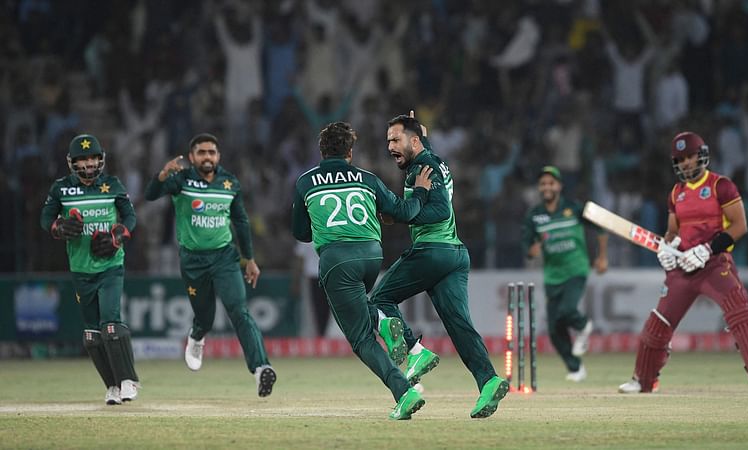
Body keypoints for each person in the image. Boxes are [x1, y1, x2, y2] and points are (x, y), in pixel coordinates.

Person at [370, 113, 509, 419]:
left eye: (396, 139)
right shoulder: (433, 160)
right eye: (388, 141)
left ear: (414, 141)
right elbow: (429, 198)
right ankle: (489, 381)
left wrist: (403, 212)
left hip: (432, 250)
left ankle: (414, 352)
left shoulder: (422, 167)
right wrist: (417, 128)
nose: (390, 146)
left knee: (379, 300)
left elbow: (438, 210)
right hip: (455, 254)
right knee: (459, 325)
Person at [618, 131, 748, 394]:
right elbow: (672, 231)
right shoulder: (676, 193)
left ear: (701, 155)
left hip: (715, 263)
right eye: (680, 160)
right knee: (659, 321)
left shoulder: (721, 185)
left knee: (741, 313)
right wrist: (668, 248)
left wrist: (707, 249)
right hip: (684, 268)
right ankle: (643, 380)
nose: (686, 164)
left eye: (690, 157)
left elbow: (740, 226)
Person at [291, 121, 433, 420]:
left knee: (361, 339)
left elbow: (300, 233)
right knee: (361, 310)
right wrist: (420, 192)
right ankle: (384, 322)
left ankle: (403, 392)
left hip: (337, 260)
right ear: (350, 153)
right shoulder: (367, 179)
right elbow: (406, 213)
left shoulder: (305, 181)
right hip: (371, 255)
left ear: (321, 151)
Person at [144, 133, 276, 397]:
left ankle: (261, 368)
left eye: (211, 152)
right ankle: (197, 334)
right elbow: (151, 195)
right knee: (205, 317)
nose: (207, 157)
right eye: (201, 152)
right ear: (192, 157)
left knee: (239, 311)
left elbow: (241, 222)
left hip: (224, 258)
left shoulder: (229, 182)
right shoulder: (181, 180)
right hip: (193, 261)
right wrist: (161, 176)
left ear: (218, 156)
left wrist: (249, 259)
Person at [41, 134, 140, 405]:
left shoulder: (113, 184)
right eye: (82, 159)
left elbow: (129, 215)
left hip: (110, 265)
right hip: (80, 268)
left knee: (110, 323)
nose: (88, 164)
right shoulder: (61, 189)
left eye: (92, 158)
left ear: (101, 159)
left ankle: (128, 380)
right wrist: (58, 227)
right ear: (72, 162)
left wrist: (120, 234)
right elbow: (46, 218)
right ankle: (112, 387)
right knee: (91, 335)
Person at [521, 165, 608, 382]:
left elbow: (601, 228)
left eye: (551, 183)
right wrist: (533, 249)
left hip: (576, 268)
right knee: (554, 329)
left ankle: (583, 325)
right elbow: (528, 249)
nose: (546, 187)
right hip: (552, 275)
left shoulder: (573, 207)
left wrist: (602, 257)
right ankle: (576, 368)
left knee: (568, 310)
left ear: (559, 186)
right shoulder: (534, 216)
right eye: (543, 184)